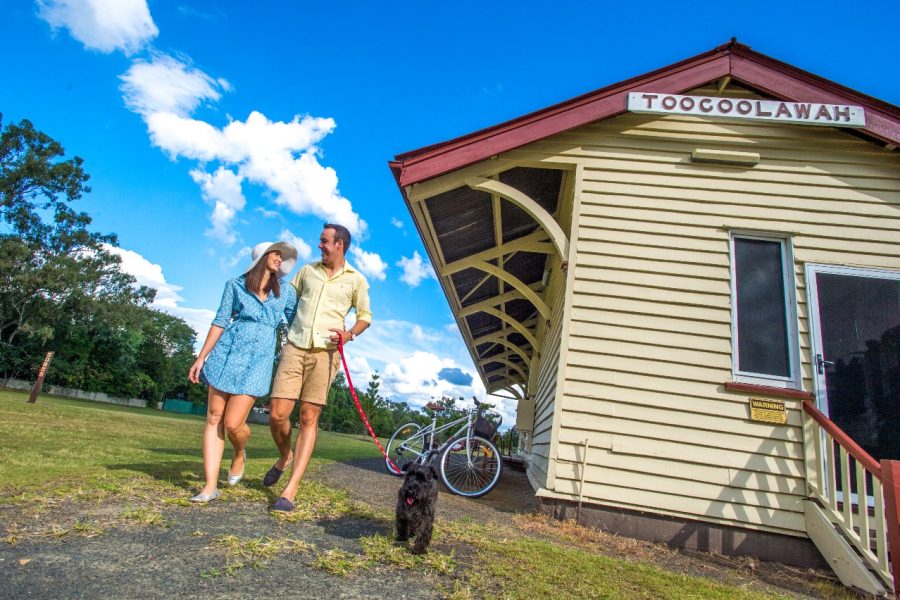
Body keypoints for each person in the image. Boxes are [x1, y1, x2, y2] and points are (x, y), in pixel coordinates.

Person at [266, 224, 372, 512]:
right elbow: (285, 297)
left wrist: (349, 335)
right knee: (277, 414)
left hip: (326, 354)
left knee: (309, 418)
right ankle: (285, 455)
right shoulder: (307, 271)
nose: (319, 246)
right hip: (294, 347)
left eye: (324, 241)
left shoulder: (356, 280)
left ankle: (291, 489)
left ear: (340, 244)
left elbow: (365, 316)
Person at [187, 241, 299, 503]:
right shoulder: (234, 285)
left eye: (281, 255)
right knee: (214, 417)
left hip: (257, 362)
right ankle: (210, 486)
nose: (279, 259)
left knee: (233, 423)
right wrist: (201, 357)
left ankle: (239, 453)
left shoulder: (285, 292)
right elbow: (220, 320)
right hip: (227, 353)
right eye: (275, 253)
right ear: (261, 258)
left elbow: (297, 323)